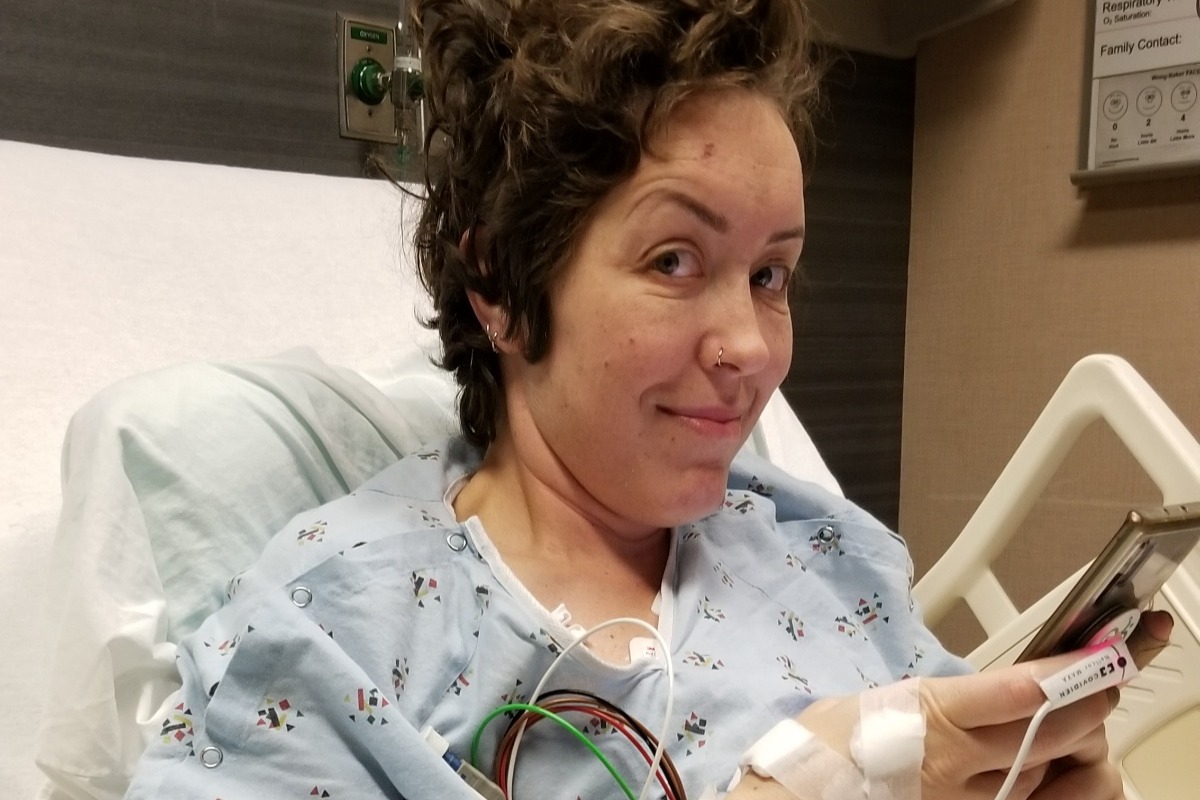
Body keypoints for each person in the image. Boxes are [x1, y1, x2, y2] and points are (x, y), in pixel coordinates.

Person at [123, 0, 1173, 798]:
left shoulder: (829, 558)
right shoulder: (340, 622)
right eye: (675, 259)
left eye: (770, 274)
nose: (750, 347)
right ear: (501, 284)